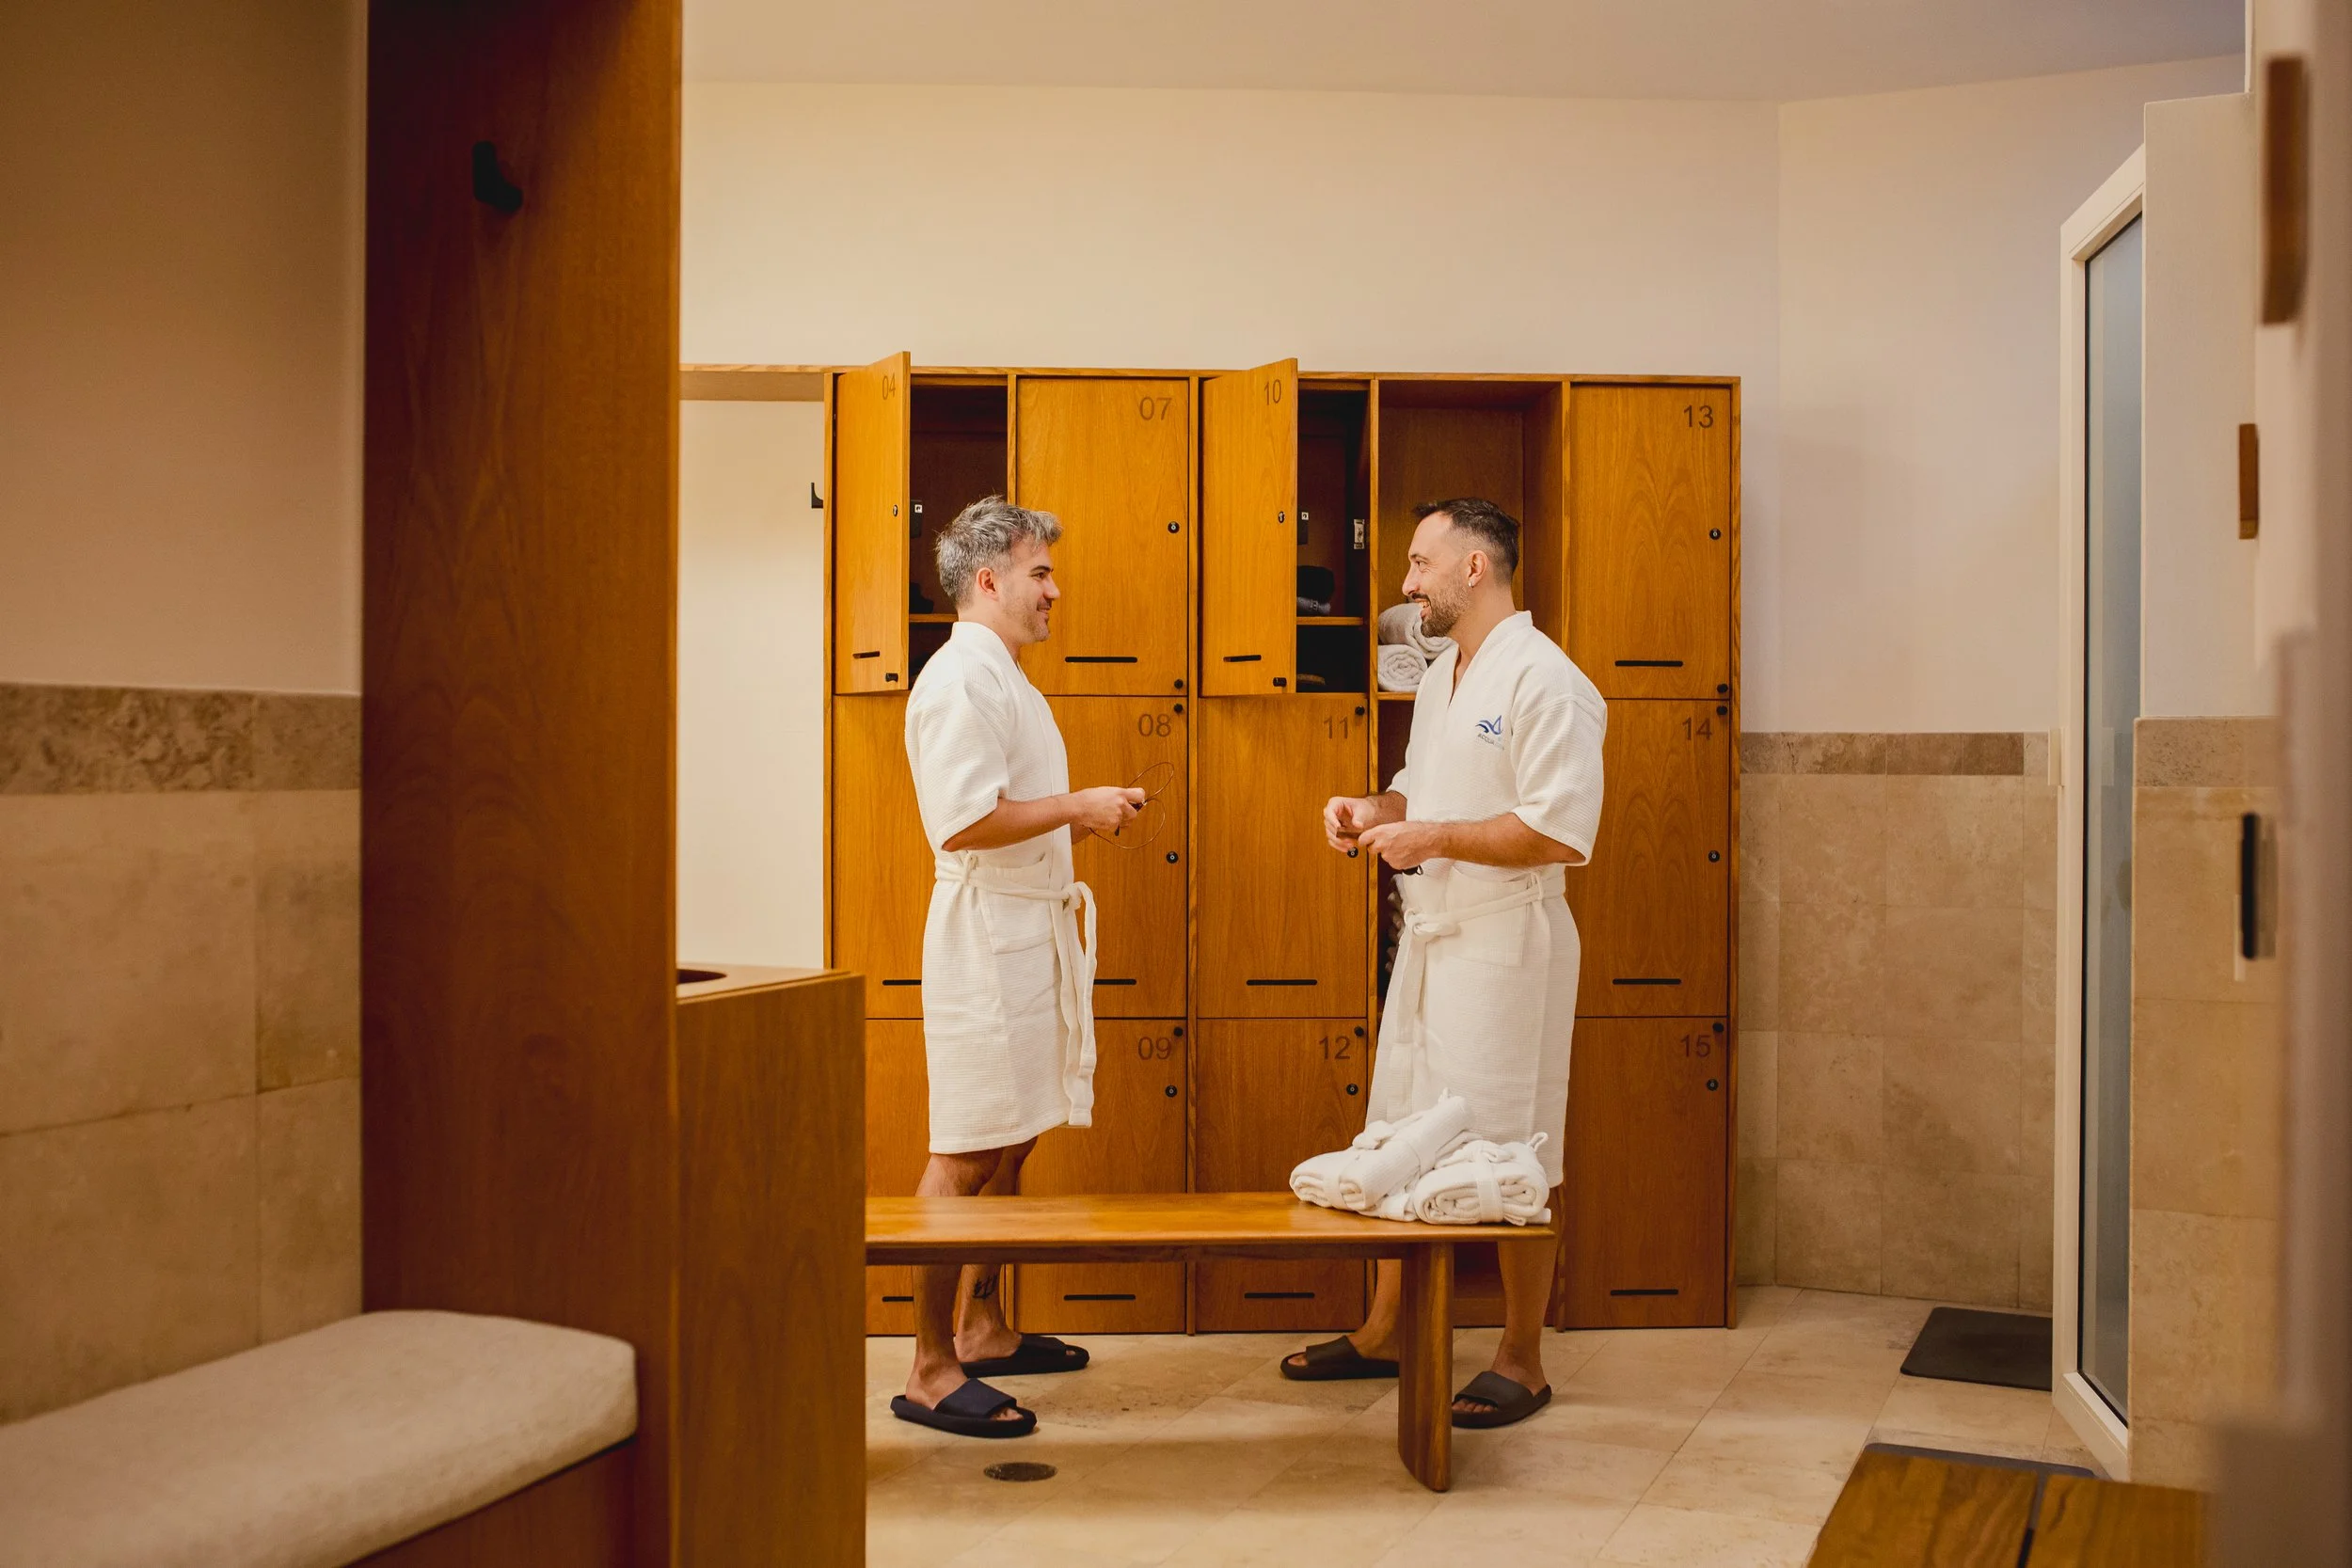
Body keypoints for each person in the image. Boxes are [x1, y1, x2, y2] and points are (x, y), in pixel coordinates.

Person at [1283, 498, 1606, 1429]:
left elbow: (1557, 830)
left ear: (1474, 567)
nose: (1405, 582)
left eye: (1420, 563)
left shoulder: (1549, 682)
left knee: (1513, 1148)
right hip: (1432, 937)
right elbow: (1421, 791)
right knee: (1398, 1128)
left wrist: (1432, 832)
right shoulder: (1439, 679)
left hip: (1508, 944)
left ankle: (1521, 1352)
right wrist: (1373, 808)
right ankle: (1386, 1326)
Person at [889, 496, 1147, 1440]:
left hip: (1025, 930)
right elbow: (959, 819)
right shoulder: (959, 677)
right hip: (983, 935)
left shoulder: (1007, 677)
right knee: (964, 1146)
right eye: (1040, 572)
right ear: (987, 579)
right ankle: (927, 1362)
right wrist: (1078, 804)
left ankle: (985, 1323)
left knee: (1011, 1138)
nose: (1056, 588)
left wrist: (1079, 807)